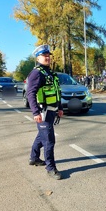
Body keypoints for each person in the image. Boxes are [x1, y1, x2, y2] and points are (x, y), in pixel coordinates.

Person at [27, 44, 63, 180]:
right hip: (43, 112)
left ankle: (34, 158)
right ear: (38, 58)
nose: (47, 57)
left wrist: (60, 108)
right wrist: (35, 112)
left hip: (52, 111)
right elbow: (30, 93)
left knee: (42, 136)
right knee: (49, 140)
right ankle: (51, 168)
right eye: (44, 55)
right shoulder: (36, 73)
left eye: (48, 55)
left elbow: (56, 92)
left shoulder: (50, 73)